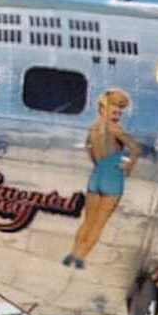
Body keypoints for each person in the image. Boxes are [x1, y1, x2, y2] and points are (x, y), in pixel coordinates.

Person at [64, 88, 142, 269]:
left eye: (120, 108)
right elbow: (135, 149)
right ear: (104, 108)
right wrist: (128, 166)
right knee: (99, 223)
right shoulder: (116, 129)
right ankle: (81, 258)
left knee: (88, 220)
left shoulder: (92, 129)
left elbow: (89, 149)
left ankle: (73, 253)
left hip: (96, 174)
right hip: (112, 177)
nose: (119, 111)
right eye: (116, 107)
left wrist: (98, 164)